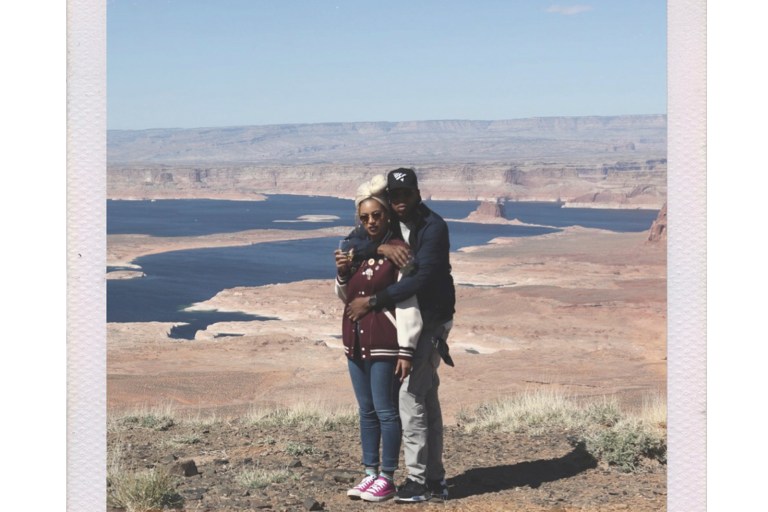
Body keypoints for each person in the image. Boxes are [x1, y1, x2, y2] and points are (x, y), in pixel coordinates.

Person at [345, 167, 456, 503]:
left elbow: (420, 279)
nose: (400, 201)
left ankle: (419, 481)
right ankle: (435, 480)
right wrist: (379, 251)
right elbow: (353, 242)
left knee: (409, 396)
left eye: (406, 194)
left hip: (430, 318)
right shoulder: (390, 221)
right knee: (425, 398)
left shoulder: (432, 227)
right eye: (395, 196)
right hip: (411, 316)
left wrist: (374, 301)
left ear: (418, 193)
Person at [334, 175, 422, 503]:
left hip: (385, 341)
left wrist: (406, 349)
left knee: (386, 411)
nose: (371, 222)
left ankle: (387, 477)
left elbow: (408, 302)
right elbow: (345, 295)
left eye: (377, 215)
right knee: (366, 410)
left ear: (387, 215)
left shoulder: (399, 252)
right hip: (355, 341)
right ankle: (369, 473)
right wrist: (343, 273)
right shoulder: (355, 250)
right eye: (365, 217)